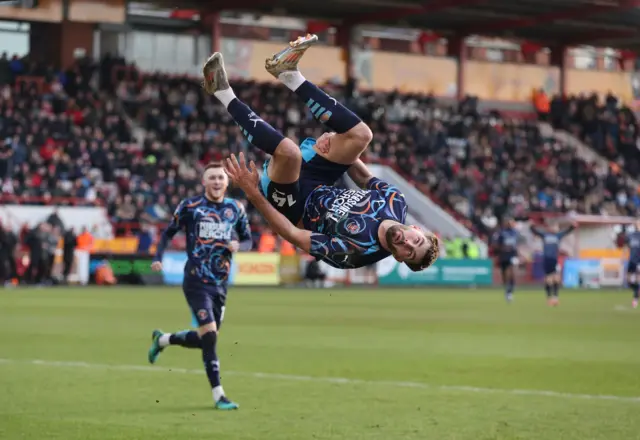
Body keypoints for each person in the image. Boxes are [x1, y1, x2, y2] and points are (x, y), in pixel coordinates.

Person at [204, 36, 438, 270]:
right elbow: (365, 178)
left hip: (294, 205)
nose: (406, 243)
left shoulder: (355, 252)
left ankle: (222, 92)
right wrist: (339, 140)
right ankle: (288, 74)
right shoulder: (395, 202)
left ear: (399, 258)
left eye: (408, 252)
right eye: (415, 241)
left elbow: (292, 233)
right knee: (362, 136)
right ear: (417, 230)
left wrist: (254, 194)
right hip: (319, 179)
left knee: (289, 153)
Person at [147, 162, 252, 410]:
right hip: (196, 280)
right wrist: (157, 257)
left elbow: (248, 239)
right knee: (211, 335)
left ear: (227, 183)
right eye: (212, 178)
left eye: (220, 178)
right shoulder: (191, 206)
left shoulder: (235, 208)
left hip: (220, 284)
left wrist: (240, 246)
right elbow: (167, 233)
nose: (216, 182)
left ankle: (163, 340)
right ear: (204, 182)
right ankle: (219, 396)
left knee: (207, 339)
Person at [530, 222, 576, 306]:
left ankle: (554, 297)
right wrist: (532, 226)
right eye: (554, 227)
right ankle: (550, 297)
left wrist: (572, 227)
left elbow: (566, 232)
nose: (556, 229)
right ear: (550, 228)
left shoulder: (557, 236)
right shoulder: (545, 235)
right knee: (549, 278)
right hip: (547, 259)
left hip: (554, 259)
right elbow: (535, 231)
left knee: (555, 278)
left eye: (556, 227)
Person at [492, 218, 521, 303]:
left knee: (511, 272)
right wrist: (502, 248)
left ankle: (509, 292)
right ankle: (507, 289)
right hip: (503, 255)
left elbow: (517, 244)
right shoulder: (501, 233)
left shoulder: (515, 232)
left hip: (512, 255)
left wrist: (518, 253)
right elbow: (495, 244)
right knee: (504, 274)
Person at [622, 221, 640, 308]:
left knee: (637, 279)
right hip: (632, 260)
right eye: (636, 223)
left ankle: (635, 299)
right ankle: (637, 290)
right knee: (628, 281)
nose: (637, 224)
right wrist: (623, 256)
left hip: (639, 261)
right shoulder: (631, 235)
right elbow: (626, 246)